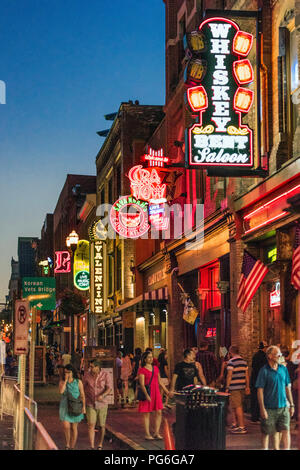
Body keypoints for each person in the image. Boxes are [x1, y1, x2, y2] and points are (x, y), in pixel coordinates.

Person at [256, 345, 295, 450]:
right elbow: (259, 391)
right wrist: (262, 408)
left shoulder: (283, 369)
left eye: (280, 354)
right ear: (270, 356)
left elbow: (287, 387)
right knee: (267, 432)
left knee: (285, 430)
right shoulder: (264, 371)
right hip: (269, 408)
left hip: (283, 407)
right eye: (278, 354)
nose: (280, 356)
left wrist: (291, 404)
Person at [138, 350, 169, 440]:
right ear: (144, 359)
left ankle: (156, 432)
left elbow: (160, 381)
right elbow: (142, 384)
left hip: (156, 393)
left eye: (152, 357)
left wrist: (166, 391)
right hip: (147, 393)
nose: (151, 359)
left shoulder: (155, 368)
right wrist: (147, 395)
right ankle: (147, 434)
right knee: (146, 414)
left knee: (159, 412)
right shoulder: (142, 370)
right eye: (149, 357)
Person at [83, 360, 112, 450]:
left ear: (97, 367)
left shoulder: (105, 375)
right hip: (90, 403)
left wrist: (102, 395)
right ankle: (91, 446)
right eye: (90, 367)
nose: (90, 369)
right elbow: (83, 387)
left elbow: (109, 388)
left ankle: (100, 444)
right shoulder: (87, 375)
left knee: (101, 425)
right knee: (91, 424)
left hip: (102, 403)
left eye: (92, 367)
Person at [59, 364, 86, 450]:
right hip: (65, 406)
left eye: (69, 372)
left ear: (72, 372)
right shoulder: (62, 382)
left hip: (75, 406)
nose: (67, 374)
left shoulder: (78, 382)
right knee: (66, 426)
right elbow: (61, 391)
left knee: (74, 427)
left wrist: (84, 407)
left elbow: (82, 395)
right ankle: (67, 444)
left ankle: (72, 446)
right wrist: (66, 381)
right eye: (65, 372)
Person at [225, 345, 250, 434]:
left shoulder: (231, 362)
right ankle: (235, 423)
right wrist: (247, 386)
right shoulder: (244, 362)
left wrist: (227, 387)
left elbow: (229, 376)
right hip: (242, 386)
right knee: (234, 405)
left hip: (234, 387)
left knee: (238, 407)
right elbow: (247, 375)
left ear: (231, 352)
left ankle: (241, 426)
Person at [250, 341, 268, 422]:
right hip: (261, 380)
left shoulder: (255, 355)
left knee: (254, 398)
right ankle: (260, 415)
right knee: (260, 398)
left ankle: (254, 416)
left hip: (254, 379)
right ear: (264, 348)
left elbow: (253, 367)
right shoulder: (265, 357)